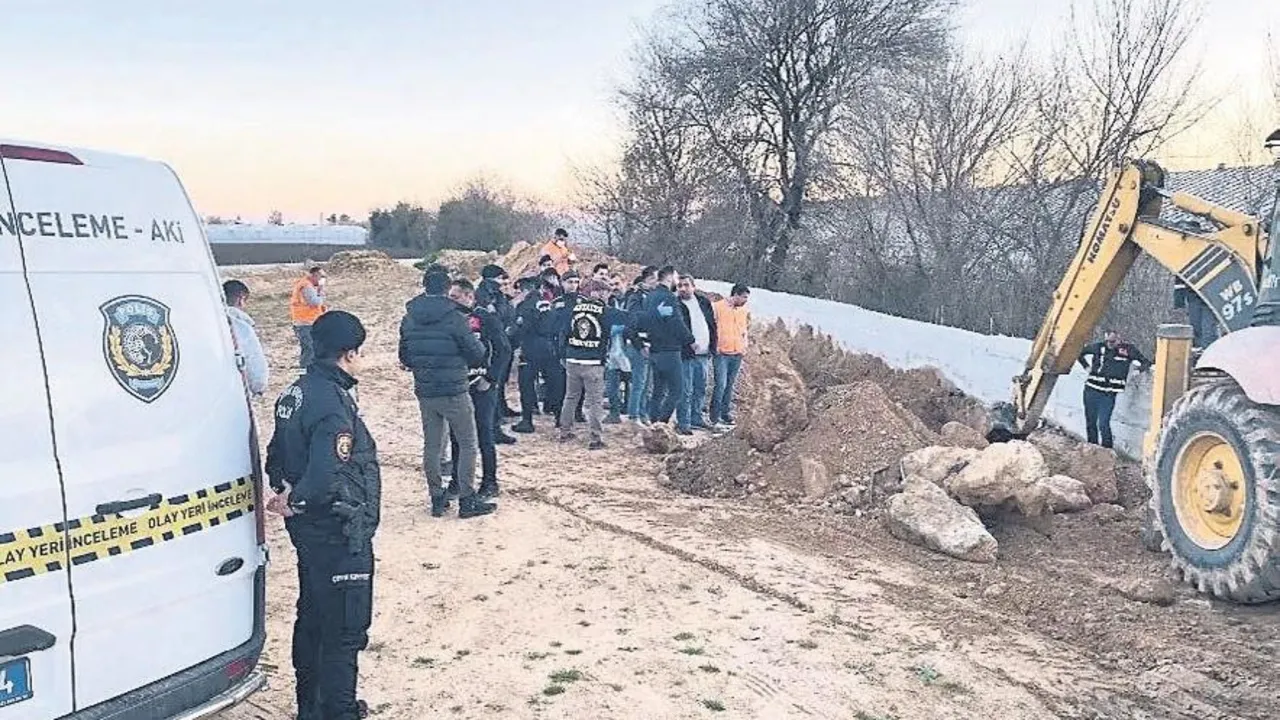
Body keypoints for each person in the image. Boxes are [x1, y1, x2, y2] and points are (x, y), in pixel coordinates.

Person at [264, 310, 380, 720]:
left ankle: (311, 708)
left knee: (313, 617)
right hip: (339, 528)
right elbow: (327, 468)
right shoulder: (331, 402)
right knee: (344, 629)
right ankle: (338, 711)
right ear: (349, 354)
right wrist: (298, 499)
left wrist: (285, 492)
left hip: (310, 530)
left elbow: (276, 453)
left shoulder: (295, 392)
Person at [398, 270, 496, 519]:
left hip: (425, 389)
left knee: (432, 445)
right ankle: (467, 498)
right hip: (454, 389)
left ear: (424, 286)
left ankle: (436, 497)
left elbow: (405, 357)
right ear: (447, 288)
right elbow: (476, 353)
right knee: (468, 443)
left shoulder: (409, 317)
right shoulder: (455, 318)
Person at [446, 279, 508, 501]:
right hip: (458, 385)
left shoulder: (486, 318)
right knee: (456, 436)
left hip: (482, 385)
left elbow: (503, 350)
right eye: (449, 297)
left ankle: (490, 481)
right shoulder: (450, 320)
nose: (451, 301)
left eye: (455, 297)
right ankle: (456, 481)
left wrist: (490, 378)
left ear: (469, 296)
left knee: (484, 434)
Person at [556, 279, 630, 449]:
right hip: (593, 362)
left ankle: (565, 432)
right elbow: (628, 318)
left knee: (570, 397)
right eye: (606, 292)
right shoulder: (604, 310)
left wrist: (563, 354)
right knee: (595, 401)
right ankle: (595, 438)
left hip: (573, 359)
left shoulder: (574, 308)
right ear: (599, 292)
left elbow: (564, 332)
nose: (607, 296)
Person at [1078, 328, 1149, 448]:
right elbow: (1080, 353)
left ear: (1119, 339)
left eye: (1112, 341)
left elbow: (1146, 362)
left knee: (1103, 423)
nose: (1109, 344)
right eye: (1107, 341)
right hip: (1092, 389)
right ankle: (1092, 448)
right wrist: (1086, 367)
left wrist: (1137, 371)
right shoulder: (1098, 347)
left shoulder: (1128, 350)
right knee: (1091, 422)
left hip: (1109, 393)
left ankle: (1107, 449)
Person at [511, 276, 565, 433]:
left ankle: (527, 421)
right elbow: (556, 324)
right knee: (554, 383)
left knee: (526, 384)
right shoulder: (547, 303)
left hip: (531, 346)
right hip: (550, 346)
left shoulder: (525, 305)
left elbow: (522, 326)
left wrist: (514, 339)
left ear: (524, 290)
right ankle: (559, 417)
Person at [642, 266, 694, 426]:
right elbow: (675, 322)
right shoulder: (669, 298)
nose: (677, 282)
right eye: (676, 278)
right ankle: (662, 423)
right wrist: (690, 339)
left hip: (654, 349)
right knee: (677, 390)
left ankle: (653, 422)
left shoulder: (650, 296)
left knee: (658, 390)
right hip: (669, 350)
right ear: (670, 278)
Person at [477, 264, 520, 433]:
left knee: (501, 381)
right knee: (493, 382)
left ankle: (501, 408)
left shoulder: (497, 294)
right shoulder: (485, 295)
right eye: (501, 278)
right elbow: (496, 317)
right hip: (495, 344)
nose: (503, 282)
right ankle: (494, 419)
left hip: (505, 341)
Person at [675, 276, 718, 435]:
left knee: (700, 388)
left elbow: (712, 325)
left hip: (704, 354)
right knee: (685, 390)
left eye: (686, 285)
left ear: (693, 286)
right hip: (685, 354)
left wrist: (713, 346)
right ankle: (683, 422)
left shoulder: (703, 302)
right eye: (679, 285)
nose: (683, 288)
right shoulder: (676, 304)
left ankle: (696, 417)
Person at [711, 283, 751, 427]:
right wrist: (714, 346)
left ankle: (725, 413)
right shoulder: (717, 307)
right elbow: (711, 328)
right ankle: (714, 417)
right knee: (720, 385)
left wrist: (744, 346)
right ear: (735, 295)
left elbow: (744, 330)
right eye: (744, 297)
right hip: (721, 353)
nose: (746, 300)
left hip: (737, 353)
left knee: (730, 385)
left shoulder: (743, 311)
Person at [623, 267, 659, 424]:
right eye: (656, 279)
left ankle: (643, 413)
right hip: (638, 345)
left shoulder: (654, 297)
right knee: (638, 382)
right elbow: (631, 323)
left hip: (652, 345)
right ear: (648, 279)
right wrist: (640, 345)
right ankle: (634, 415)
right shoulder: (635, 297)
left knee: (646, 384)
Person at [223, 279, 269, 396]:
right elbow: (254, 360)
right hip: (236, 390)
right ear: (240, 298)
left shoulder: (208, 321)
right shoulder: (241, 326)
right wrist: (259, 386)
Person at [289, 265, 327, 370]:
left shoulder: (307, 285)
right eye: (321, 277)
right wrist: (321, 293)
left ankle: (310, 370)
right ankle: (305, 371)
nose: (322, 280)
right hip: (305, 322)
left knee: (311, 348)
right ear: (315, 275)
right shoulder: (306, 286)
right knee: (309, 349)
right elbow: (314, 302)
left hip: (308, 321)